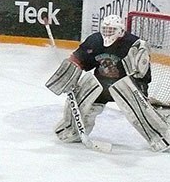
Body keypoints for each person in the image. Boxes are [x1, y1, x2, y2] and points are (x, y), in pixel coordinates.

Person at [46, 15, 170, 152]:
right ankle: (72, 129)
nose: (107, 33)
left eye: (111, 30)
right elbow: (79, 59)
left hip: (126, 85)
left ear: (121, 30)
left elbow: (141, 73)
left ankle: (161, 136)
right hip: (102, 84)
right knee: (80, 98)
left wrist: (140, 88)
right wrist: (71, 70)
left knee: (139, 111)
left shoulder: (134, 44)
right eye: (105, 29)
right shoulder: (95, 40)